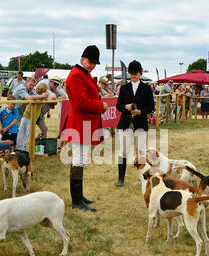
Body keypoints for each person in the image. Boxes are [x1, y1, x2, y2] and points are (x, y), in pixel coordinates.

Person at [61, 45, 108, 212]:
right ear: (82, 59)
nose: (92, 65)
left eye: (94, 63)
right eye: (90, 62)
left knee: (81, 159)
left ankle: (79, 196)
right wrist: (101, 105)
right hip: (80, 122)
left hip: (85, 122)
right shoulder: (76, 75)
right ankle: (76, 200)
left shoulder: (83, 74)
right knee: (78, 159)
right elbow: (82, 102)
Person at [115, 60, 154, 187]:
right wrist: (125, 107)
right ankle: (121, 178)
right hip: (126, 123)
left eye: (135, 73)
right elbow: (118, 105)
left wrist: (140, 111)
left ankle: (144, 177)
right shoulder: (124, 88)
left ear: (140, 73)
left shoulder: (147, 88)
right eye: (131, 74)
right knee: (123, 151)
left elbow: (151, 106)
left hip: (140, 123)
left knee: (141, 151)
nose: (133, 76)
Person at [15, 81, 49, 152]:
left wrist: (44, 96)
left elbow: (47, 97)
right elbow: (29, 98)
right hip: (25, 115)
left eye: (33, 86)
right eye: (30, 85)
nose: (32, 87)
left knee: (26, 132)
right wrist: (42, 96)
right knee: (22, 132)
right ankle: (19, 148)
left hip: (30, 116)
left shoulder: (37, 95)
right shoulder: (25, 90)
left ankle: (22, 147)